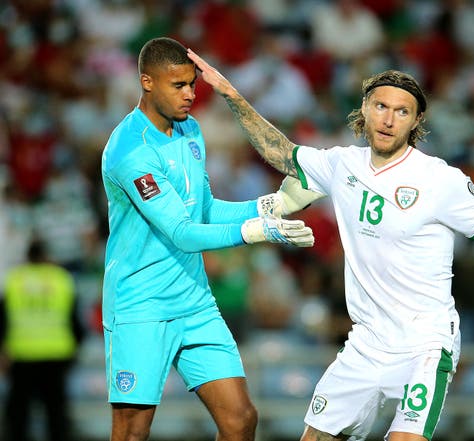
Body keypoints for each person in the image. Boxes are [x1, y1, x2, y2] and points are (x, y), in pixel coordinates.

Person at [187, 49, 474, 441]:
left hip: (424, 346)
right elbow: (281, 152)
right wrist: (231, 95)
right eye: (381, 107)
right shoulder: (341, 164)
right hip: (365, 343)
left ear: (415, 122)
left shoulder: (440, 180)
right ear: (365, 112)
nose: (389, 119)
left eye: (402, 111)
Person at [100, 37, 317, 441]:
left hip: (195, 302)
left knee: (240, 420)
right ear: (147, 82)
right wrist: (258, 232)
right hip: (142, 305)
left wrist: (273, 206)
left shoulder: (190, 129)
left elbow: (203, 211)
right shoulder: (129, 151)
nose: (190, 95)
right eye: (177, 85)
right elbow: (181, 234)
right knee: (132, 432)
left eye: (192, 84)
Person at [0, 238, 86, 441]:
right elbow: (74, 319)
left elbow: (2, 319)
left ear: (27, 256)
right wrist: (76, 345)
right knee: (55, 411)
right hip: (56, 354)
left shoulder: (14, 280)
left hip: (21, 354)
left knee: (18, 413)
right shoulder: (61, 279)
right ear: (47, 256)